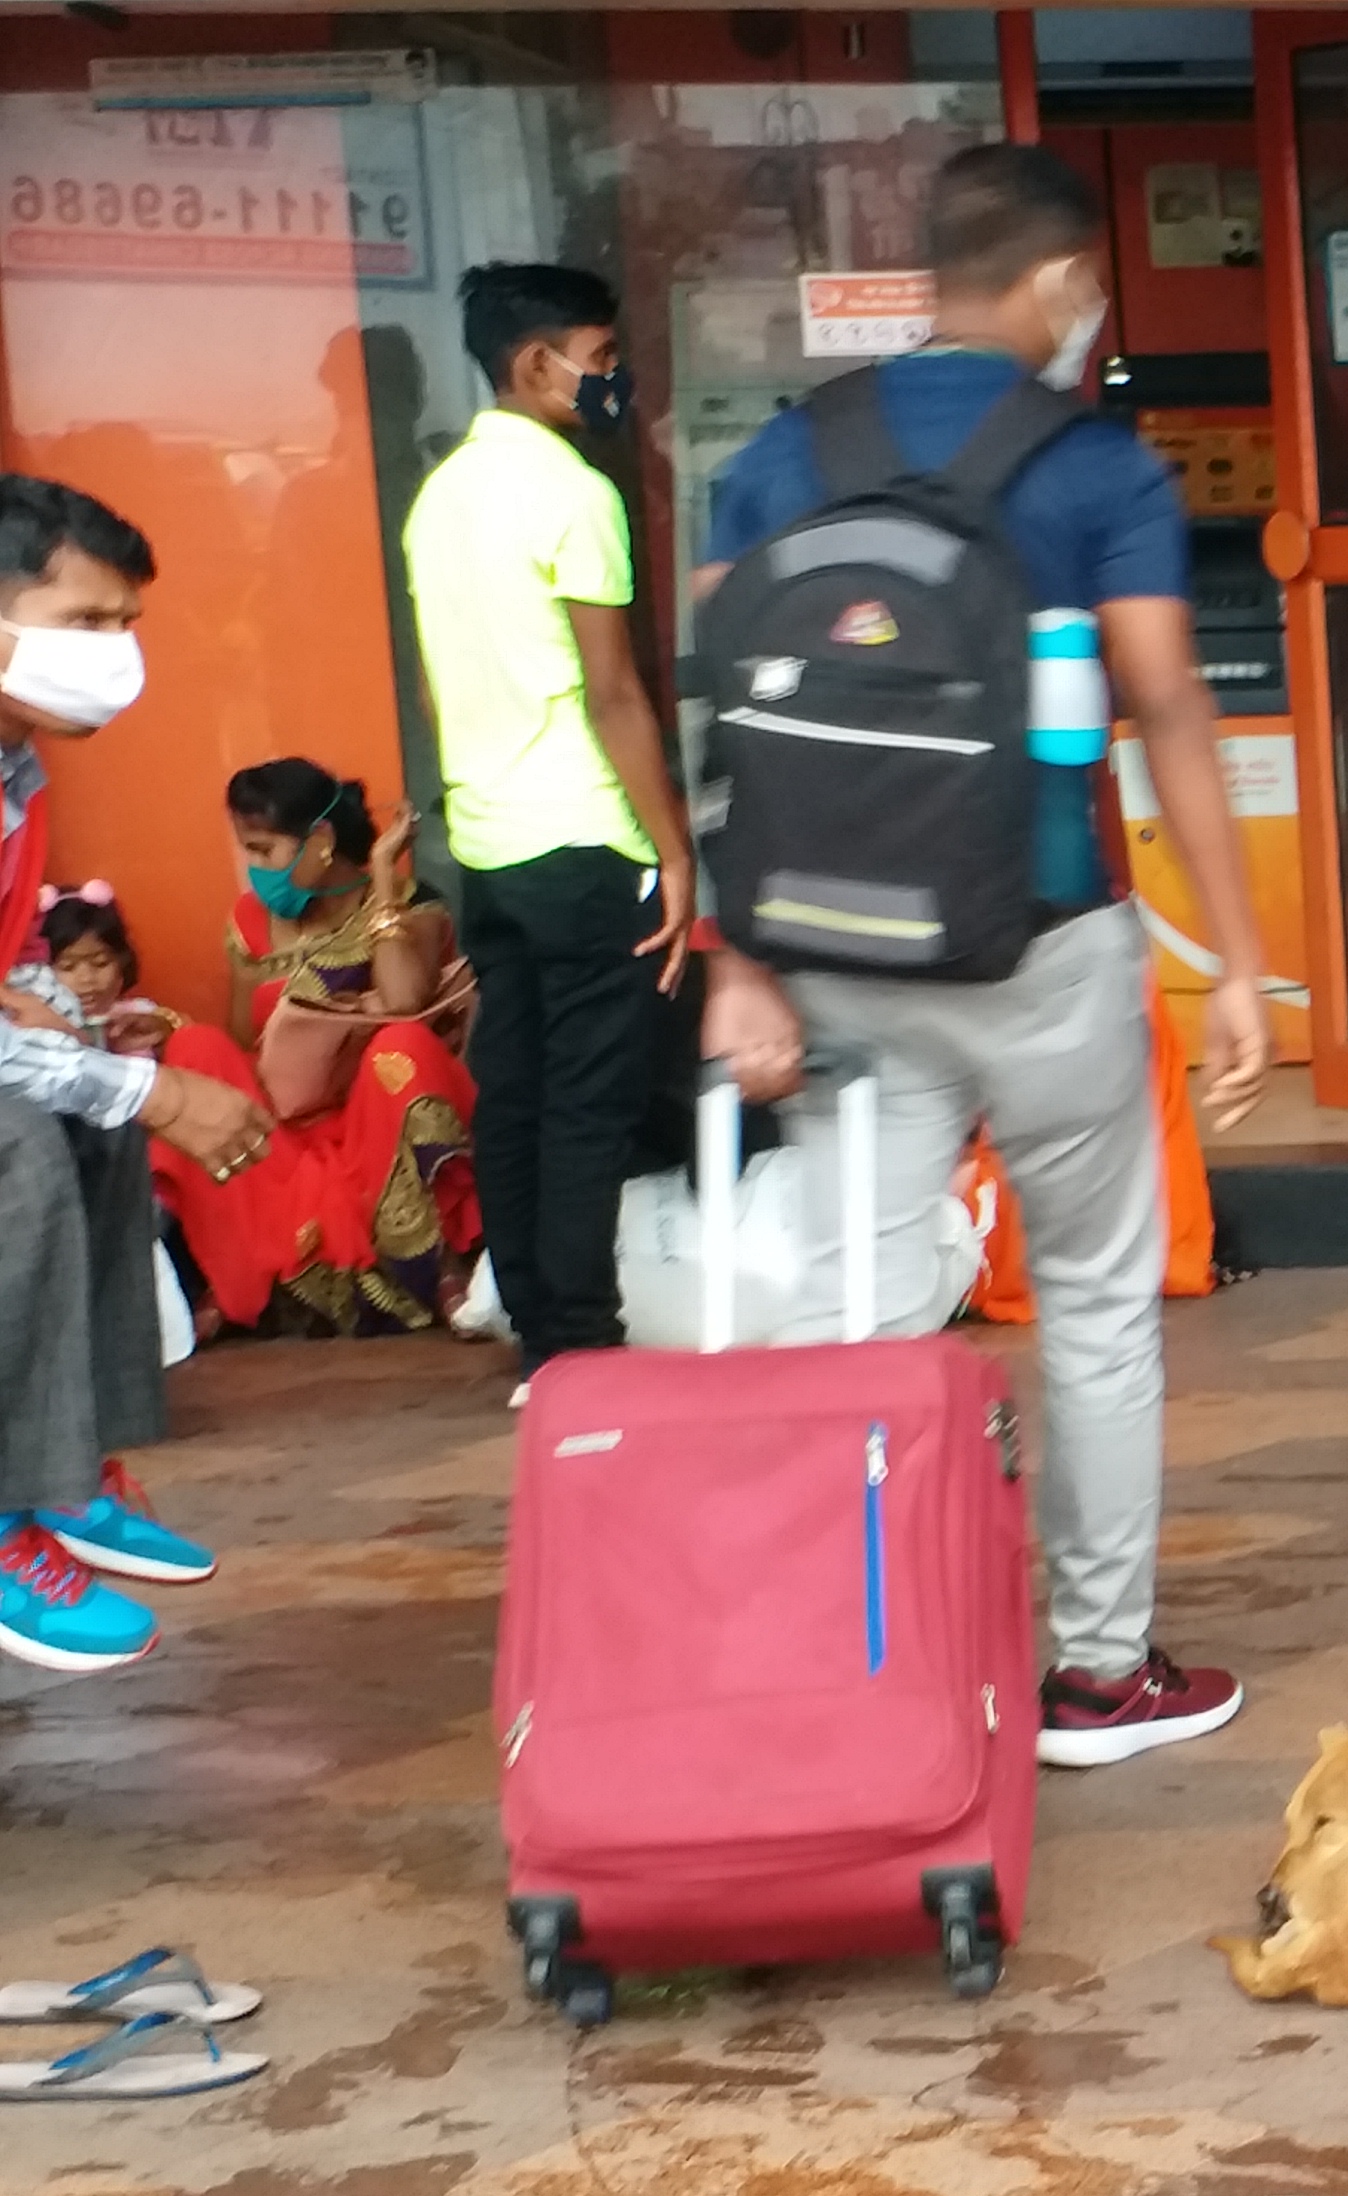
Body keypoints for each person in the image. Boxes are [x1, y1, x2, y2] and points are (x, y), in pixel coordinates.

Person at [696, 143, 1277, 1770]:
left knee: (861, 1316)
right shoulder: (1098, 472)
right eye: (1087, 288)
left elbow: (718, 712)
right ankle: (1095, 1676)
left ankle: (867, 1656)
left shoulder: (783, 455)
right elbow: (1167, 706)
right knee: (1092, 1306)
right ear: (1054, 284)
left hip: (826, 956)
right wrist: (1234, 957)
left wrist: (730, 956)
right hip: (1042, 943)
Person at [405, 263, 694, 1396]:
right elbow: (615, 691)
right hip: (588, 839)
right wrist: (673, 850)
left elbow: (440, 690)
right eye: (605, 358)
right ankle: (578, 1344)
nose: (613, 380)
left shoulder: (441, 497)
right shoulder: (576, 493)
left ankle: (539, 1331)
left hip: (487, 847)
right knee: (587, 1103)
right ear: (539, 365)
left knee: (514, 1094)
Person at [0, 475, 263, 1671]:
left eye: (125, 625)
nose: (119, 656)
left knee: (84, 1104)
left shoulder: (21, 775)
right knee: (18, 1142)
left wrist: (83, 1047)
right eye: (86, 624)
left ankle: (67, 1470)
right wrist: (157, 1090)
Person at [146, 763, 482, 1338]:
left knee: (401, 1046)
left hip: (370, 1125)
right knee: (194, 1048)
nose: (255, 871)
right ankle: (234, 1281)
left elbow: (404, 1001)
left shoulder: (412, 903)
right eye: (246, 851)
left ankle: (440, 1268)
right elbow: (240, 1043)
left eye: (265, 851)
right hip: (282, 1130)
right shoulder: (251, 924)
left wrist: (381, 878)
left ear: (321, 843)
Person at [33, 886, 170, 1049]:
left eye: (101, 963)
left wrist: (163, 1031)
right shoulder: (34, 1024)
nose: (87, 978)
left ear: (122, 961)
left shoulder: (139, 1015)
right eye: (68, 967)